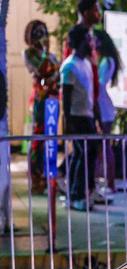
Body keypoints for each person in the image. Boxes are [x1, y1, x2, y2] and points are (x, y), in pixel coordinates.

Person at [60, 25, 105, 210]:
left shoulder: (86, 64)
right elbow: (67, 98)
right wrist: (68, 122)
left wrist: (97, 117)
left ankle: (83, 192)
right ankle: (75, 195)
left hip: (87, 117)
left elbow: (91, 94)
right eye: (87, 39)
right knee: (81, 155)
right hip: (76, 118)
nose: (90, 42)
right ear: (79, 42)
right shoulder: (69, 66)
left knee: (89, 156)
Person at [23, 20, 60, 194]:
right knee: (38, 136)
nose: (41, 35)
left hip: (53, 99)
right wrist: (45, 55)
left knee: (50, 136)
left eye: (43, 31)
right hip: (40, 99)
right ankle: (36, 177)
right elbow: (41, 69)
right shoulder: (29, 53)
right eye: (37, 32)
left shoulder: (50, 55)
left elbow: (57, 72)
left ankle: (48, 177)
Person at [93, 29, 121, 192]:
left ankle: (111, 182)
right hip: (103, 107)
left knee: (105, 146)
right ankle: (102, 180)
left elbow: (100, 84)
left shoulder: (106, 61)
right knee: (102, 146)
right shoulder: (104, 60)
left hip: (104, 109)